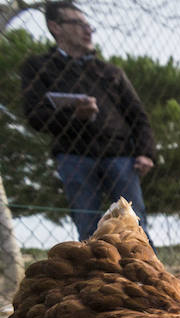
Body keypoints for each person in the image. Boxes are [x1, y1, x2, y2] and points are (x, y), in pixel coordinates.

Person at [20, 1, 157, 245]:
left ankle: (150, 280)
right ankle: (98, 282)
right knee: (88, 229)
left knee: (135, 226)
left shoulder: (111, 72)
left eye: (88, 24)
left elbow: (138, 115)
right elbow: (35, 115)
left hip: (120, 155)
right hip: (74, 156)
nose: (87, 30)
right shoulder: (39, 67)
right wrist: (73, 116)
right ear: (55, 27)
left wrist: (146, 152)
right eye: (78, 23)